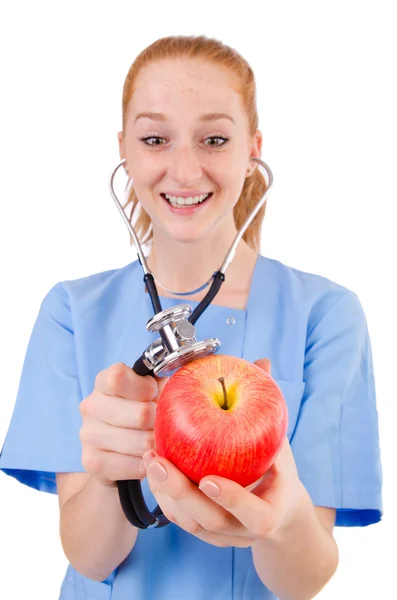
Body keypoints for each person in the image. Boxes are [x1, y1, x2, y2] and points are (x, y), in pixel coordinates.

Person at [0, 34, 383, 600]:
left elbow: (305, 579)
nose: (184, 170)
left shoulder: (326, 315)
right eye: (155, 139)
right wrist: (111, 478)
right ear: (124, 151)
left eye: (214, 139)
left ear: (252, 149)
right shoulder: (71, 312)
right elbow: (87, 554)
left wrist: (279, 518)